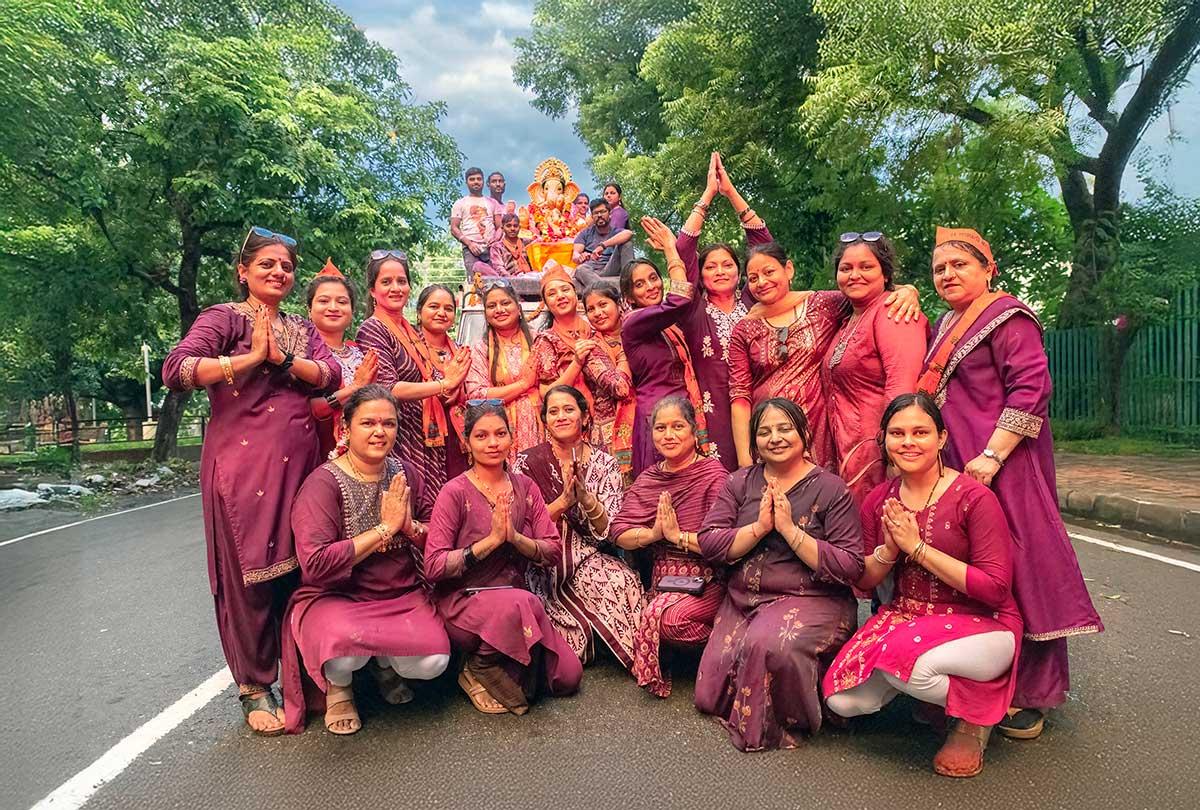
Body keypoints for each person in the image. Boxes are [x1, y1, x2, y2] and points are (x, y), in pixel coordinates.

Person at [919, 226, 1102, 740]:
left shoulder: (1009, 317)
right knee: (966, 570)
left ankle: (1029, 694)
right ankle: (967, 682)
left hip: (1003, 467)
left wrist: (992, 456)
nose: (948, 275)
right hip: (955, 465)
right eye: (939, 269)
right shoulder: (945, 322)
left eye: (960, 265)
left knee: (1018, 570)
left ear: (988, 269)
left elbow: (1031, 389)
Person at [162, 226, 340, 735]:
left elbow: (330, 375)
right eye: (267, 264)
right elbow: (176, 369)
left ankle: (301, 675)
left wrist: (283, 359)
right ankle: (255, 685)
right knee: (250, 575)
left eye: (285, 266)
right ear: (243, 271)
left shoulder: (301, 328)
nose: (278, 272)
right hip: (241, 467)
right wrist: (249, 359)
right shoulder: (223, 318)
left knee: (301, 568)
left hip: (300, 464)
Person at [824, 393, 1022, 777]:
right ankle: (922, 692)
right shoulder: (879, 501)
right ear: (884, 440)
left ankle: (976, 719)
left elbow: (996, 588)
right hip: (907, 619)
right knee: (840, 701)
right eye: (897, 433)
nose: (908, 442)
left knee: (910, 667)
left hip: (985, 624)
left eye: (920, 432)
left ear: (942, 438)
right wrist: (889, 549)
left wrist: (917, 548)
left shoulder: (974, 498)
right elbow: (865, 581)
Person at [695, 398, 863, 751]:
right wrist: (758, 528)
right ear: (754, 441)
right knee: (709, 695)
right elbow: (709, 541)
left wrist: (790, 531)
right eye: (765, 431)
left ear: (803, 432)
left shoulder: (832, 489)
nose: (775, 438)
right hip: (744, 599)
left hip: (812, 598)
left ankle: (798, 716)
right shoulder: (740, 483)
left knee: (770, 645)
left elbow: (851, 565)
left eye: (785, 428)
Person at [283, 385, 450, 735]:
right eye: (368, 423)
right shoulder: (322, 484)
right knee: (344, 649)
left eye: (388, 424)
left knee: (434, 661)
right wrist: (385, 529)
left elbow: (438, 530)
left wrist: (410, 527)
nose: (379, 432)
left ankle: (384, 664)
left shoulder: (405, 474)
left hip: (399, 595)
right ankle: (340, 685)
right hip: (338, 596)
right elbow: (315, 563)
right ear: (346, 428)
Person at [424, 402, 583, 715]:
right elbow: (435, 566)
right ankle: (477, 664)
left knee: (567, 676)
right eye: (481, 436)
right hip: (463, 600)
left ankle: (495, 660)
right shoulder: (454, 491)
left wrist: (515, 539)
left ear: (512, 438)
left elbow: (551, 549)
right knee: (525, 604)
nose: (492, 442)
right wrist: (490, 543)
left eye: (500, 433)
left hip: (514, 599)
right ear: (466, 443)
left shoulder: (525, 487)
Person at [728, 243, 922, 468]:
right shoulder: (744, 328)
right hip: (771, 431)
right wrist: (745, 459)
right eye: (753, 278)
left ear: (788, 269)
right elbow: (740, 397)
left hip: (820, 428)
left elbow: (866, 291)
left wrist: (908, 290)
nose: (762, 282)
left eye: (769, 272)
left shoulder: (823, 304)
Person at [513, 386, 644, 669]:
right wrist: (562, 502)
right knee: (571, 649)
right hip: (541, 560)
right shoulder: (527, 462)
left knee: (624, 581)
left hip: (586, 555)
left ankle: (636, 654)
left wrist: (585, 499)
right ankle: (589, 637)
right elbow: (520, 523)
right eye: (553, 411)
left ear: (584, 417)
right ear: (545, 420)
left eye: (569, 410)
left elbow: (608, 529)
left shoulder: (604, 463)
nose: (561, 416)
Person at [610, 396, 729, 698]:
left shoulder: (713, 475)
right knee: (645, 616)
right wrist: (653, 534)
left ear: (693, 431)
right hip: (662, 581)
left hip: (708, 579)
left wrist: (677, 536)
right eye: (660, 428)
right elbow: (619, 531)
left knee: (670, 621)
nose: (669, 435)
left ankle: (724, 645)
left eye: (678, 426)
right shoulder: (650, 478)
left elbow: (726, 542)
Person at [674, 152, 773, 469]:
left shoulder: (753, 301)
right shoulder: (693, 309)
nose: (719, 271)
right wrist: (706, 196)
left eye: (727, 264)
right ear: (700, 276)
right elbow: (683, 251)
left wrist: (730, 192)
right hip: (711, 411)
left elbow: (763, 245)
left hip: (760, 402)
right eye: (711, 266)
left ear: (739, 271)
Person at [820, 233, 927, 503]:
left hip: (879, 452)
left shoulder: (895, 313)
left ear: (886, 274)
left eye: (866, 267)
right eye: (846, 268)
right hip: (847, 449)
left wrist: (896, 451)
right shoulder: (847, 315)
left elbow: (902, 387)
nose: (855, 275)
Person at [356, 251, 471, 492]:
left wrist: (451, 388)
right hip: (401, 436)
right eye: (386, 282)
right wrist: (444, 384)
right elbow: (388, 388)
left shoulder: (409, 331)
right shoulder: (373, 329)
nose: (396, 288)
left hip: (426, 433)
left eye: (401, 281)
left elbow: (433, 379)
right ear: (372, 290)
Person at [620, 218, 712, 477]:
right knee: (661, 492)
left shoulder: (668, 324)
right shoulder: (634, 323)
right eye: (640, 284)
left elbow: (689, 288)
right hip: (658, 420)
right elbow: (681, 297)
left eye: (653, 278)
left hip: (683, 413)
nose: (651, 286)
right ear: (629, 297)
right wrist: (671, 251)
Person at [527, 265, 631, 445]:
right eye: (552, 293)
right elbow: (547, 393)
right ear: (545, 303)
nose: (560, 296)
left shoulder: (596, 328)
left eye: (565, 289)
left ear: (576, 295)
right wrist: (576, 363)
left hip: (619, 416)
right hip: (574, 426)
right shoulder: (546, 341)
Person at [306, 259, 379, 459]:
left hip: (367, 450)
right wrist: (353, 389)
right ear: (309, 310)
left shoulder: (360, 351)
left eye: (342, 301)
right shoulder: (304, 353)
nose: (333, 307)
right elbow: (304, 409)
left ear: (352, 310)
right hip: (319, 450)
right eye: (323, 301)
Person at [465, 280, 542, 461]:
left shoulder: (539, 341)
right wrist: (524, 385)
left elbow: (553, 385)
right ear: (486, 313)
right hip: (499, 432)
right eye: (492, 305)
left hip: (540, 425)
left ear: (518, 307)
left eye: (505, 303)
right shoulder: (481, 349)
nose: (499, 309)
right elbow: (477, 396)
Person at [414, 284, 470, 480]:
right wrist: (448, 383)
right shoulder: (410, 352)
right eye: (434, 306)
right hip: (419, 433)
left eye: (448, 309)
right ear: (419, 312)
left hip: (457, 435)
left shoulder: (461, 351)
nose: (441, 313)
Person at [582, 282, 636, 462]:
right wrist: (626, 349)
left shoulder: (640, 331)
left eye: (603, 304)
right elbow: (620, 388)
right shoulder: (591, 348)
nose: (597, 313)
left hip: (646, 422)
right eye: (590, 309)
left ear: (619, 304)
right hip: (610, 435)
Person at [450, 167, 501, 278]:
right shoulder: (460, 203)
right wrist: (469, 244)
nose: (476, 182)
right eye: (472, 179)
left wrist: (496, 240)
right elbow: (454, 228)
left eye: (479, 179)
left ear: (483, 181)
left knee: (496, 281)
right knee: (475, 282)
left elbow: (500, 227)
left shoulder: (492, 203)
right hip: (471, 249)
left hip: (491, 249)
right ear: (467, 182)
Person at [572, 199, 633, 281]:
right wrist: (580, 257)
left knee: (627, 244)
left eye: (603, 212)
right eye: (596, 213)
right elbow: (575, 254)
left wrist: (603, 246)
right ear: (592, 217)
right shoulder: (585, 233)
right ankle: (607, 286)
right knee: (580, 269)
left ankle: (628, 281)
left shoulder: (616, 232)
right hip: (591, 272)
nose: (599, 215)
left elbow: (629, 233)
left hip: (610, 268)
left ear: (610, 214)